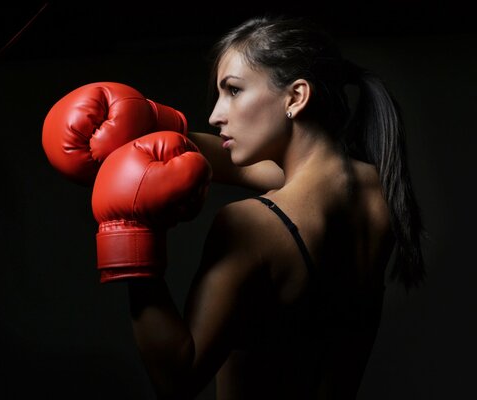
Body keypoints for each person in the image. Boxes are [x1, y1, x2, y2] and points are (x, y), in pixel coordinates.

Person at [43, 13, 426, 400]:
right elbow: (250, 166)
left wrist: (132, 234)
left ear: (295, 97)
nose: (214, 115)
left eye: (234, 91)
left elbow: (177, 378)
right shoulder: (379, 190)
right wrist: (144, 122)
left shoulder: (252, 225)